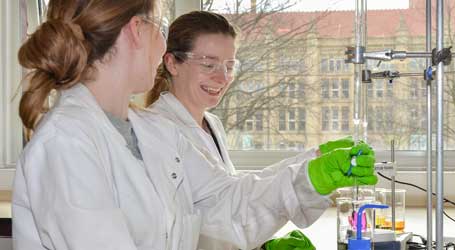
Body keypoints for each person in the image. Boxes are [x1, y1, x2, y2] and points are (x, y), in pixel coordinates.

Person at [12, 1, 377, 249]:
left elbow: (221, 205)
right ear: (136, 30)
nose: (161, 43)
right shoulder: (67, 144)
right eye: (161, 27)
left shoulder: (149, 132)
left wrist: (309, 176)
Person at [145, 11, 363, 250]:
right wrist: (310, 178)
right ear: (172, 63)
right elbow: (218, 216)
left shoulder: (211, 124)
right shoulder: (157, 129)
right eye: (209, 65)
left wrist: (313, 158)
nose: (223, 77)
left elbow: (232, 190)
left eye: (229, 66)